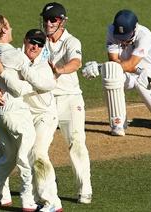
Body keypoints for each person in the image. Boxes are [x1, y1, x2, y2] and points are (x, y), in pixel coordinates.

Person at [82, 9, 151, 136]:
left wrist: (100, 67)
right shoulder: (111, 31)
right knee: (111, 74)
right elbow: (114, 61)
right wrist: (108, 68)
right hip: (125, 72)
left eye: (126, 37)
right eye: (120, 37)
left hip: (145, 74)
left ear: (135, 28)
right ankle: (118, 124)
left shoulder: (145, 35)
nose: (123, 41)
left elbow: (131, 64)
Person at [0, 29, 63, 211]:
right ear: (25, 40)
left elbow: (20, 88)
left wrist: (4, 74)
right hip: (24, 115)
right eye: (32, 42)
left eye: (40, 44)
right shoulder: (14, 57)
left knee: (37, 152)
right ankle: (0, 196)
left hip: (44, 115)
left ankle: (51, 201)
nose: (35, 47)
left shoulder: (43, 67)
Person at [0, 14, 41, 211]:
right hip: (14, 112)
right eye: (9, 26)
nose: (11, 29)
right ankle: (28, 201)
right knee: (24, 155)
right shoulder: (15, 55)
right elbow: (20, 89)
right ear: (3, 30)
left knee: (9, 156)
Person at [40, 2, 92, 204]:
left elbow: (76, 63)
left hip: (70, 100)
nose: (48, 23)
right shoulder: (39, 40)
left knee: (76, 143)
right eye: (46, 19)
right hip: (45, 101)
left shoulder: (72, 41)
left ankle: (84, 189)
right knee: (39, 147)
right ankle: (48, 186)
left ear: (62, 21)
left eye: (53, 19)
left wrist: (59, 70)